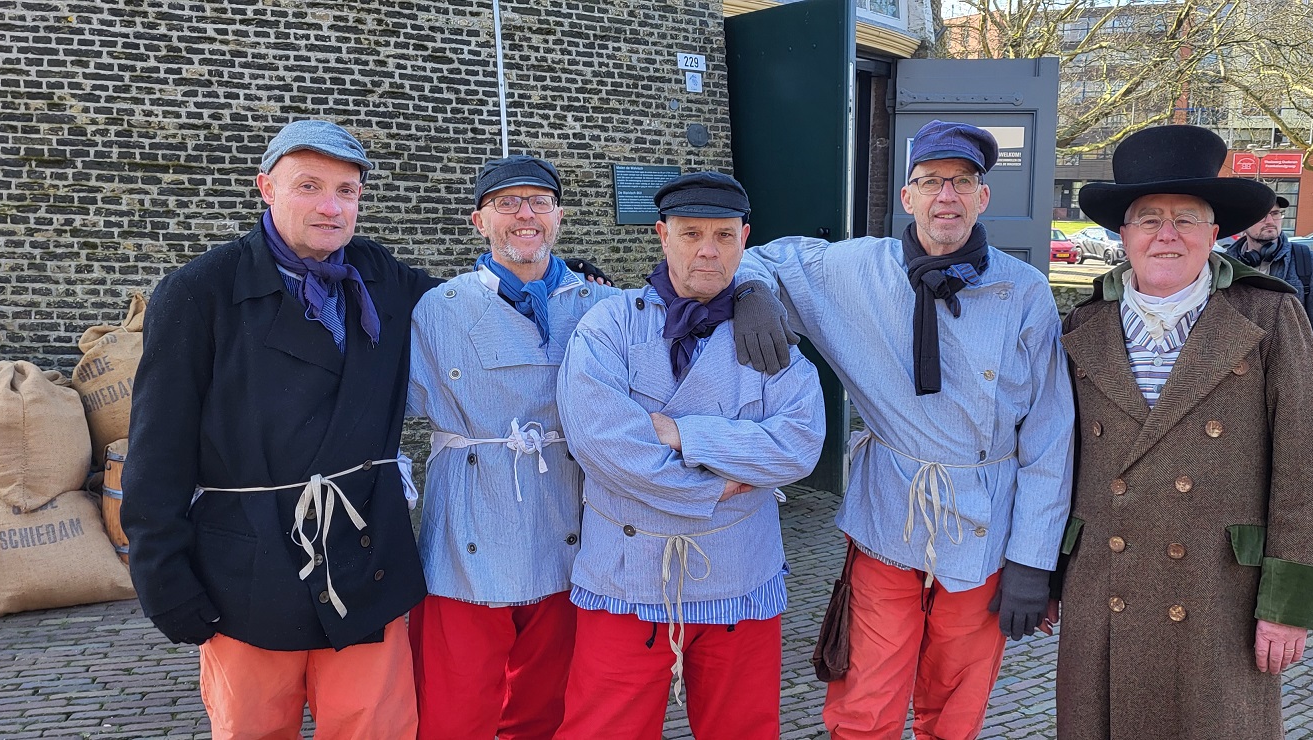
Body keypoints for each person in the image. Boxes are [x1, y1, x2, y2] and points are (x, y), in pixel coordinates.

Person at [735, 120, 1075, 739]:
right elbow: (760, 256)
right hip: (888, 513)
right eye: (931, 182)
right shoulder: (855, 270)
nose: (947, 196)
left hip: (985, 526)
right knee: (866, 695)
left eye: (962, 182)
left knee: (957, 699)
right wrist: (751, 290)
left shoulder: (1023, 292)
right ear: (907, 197)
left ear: (983, 197)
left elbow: (1050, 436)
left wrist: (1034, 559)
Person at [123, 119, 437, 738]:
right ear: (265, 187)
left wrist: (559, 282)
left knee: (377, 729)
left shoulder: (383, 277)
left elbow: (473, 310)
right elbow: (158, 447)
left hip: (363, 557)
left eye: (347, 191)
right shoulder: (200, 291)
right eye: (309, 186)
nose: (330, 206)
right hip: (247, 570)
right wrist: (163, 576)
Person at [1057, 124, 1313, 739]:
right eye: (1149, 219)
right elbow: (1055, 460)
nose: (1167, 234)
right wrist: (1045, 572)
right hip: (1102, 584)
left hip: (1222, 593)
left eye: (1186, 219)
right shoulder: (1085, 322)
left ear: (1215, 234)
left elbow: (1307, 470)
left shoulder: (1270, 314)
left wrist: (1287, 607)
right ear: (1123, 235)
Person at [552, 171, 827, 739]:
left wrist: (683, 433)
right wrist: (718, 487)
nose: (708, 249)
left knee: (742, 729)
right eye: (692, 232)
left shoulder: (769, 339)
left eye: (724, 235)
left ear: (744, 239)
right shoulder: (608, 327)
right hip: (626, 578)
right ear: (662, 234)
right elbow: (603, 444)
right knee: (602, 729)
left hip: (738, 574)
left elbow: (800, 444)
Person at [404, 154, 620, 739]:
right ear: (480, 221)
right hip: (470, 520)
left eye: (538, 204)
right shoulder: (437, 310)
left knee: (549, 697)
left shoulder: (603, 308)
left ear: (559, 217)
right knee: (457, 701)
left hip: (566, 516)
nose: (525, 216)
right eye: (507, 204)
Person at [1223, 195, 1313, 423]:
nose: (1270, 220)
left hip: (1291, 380)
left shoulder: (1310, 264)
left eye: (1276, 214)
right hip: (1236, 383)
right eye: (1262, 215)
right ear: (1244, 222)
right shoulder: (1223, 265)